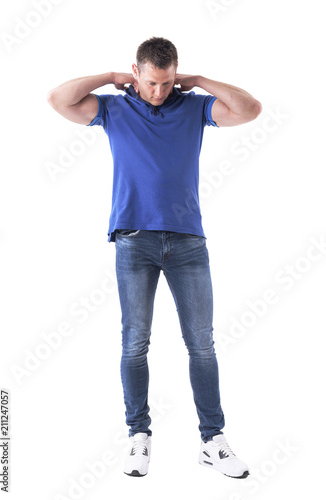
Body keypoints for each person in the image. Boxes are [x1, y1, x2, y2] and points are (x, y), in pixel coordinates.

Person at [47, 37, 262, 479]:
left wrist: (199, 80)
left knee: (201, 344)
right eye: (151, 83)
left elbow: (250, 109)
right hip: (134, 240)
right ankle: (138, 436)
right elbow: (57, 99)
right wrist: (109, 77)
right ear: (136, 72)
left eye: (167, 83)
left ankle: (212, 440)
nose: (159, 92)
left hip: (188, 243)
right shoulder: (113, 108)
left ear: (176, 75)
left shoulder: (194, 107)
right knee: (134, 342)